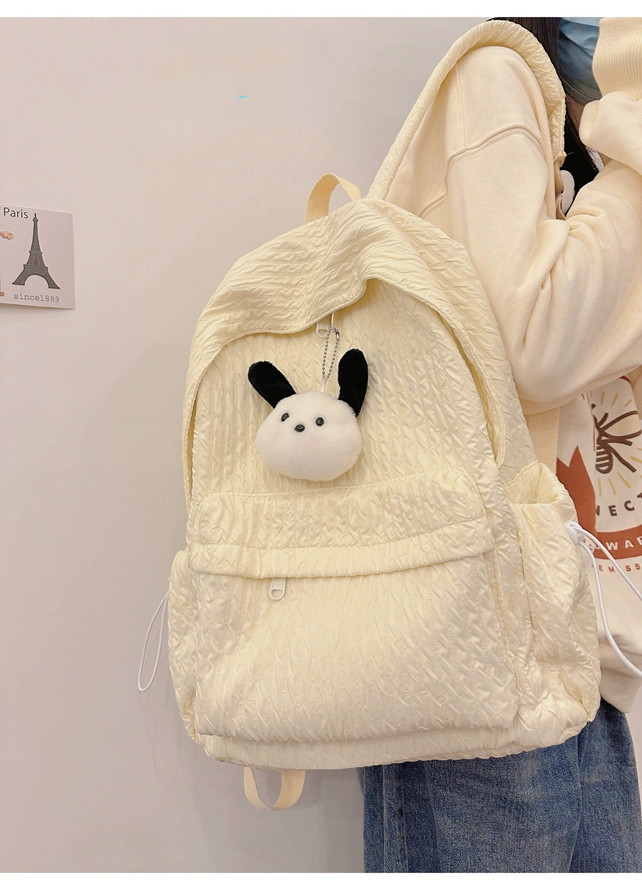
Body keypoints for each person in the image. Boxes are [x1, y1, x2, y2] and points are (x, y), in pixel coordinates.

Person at [359, 17, 642, 873]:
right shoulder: (496, 75)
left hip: (575, 638)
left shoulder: (592, 124)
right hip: (491, 641)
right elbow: (539, 345)